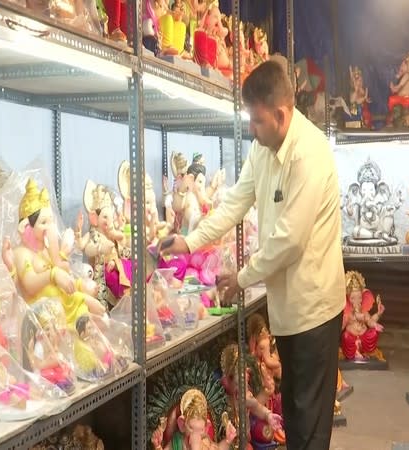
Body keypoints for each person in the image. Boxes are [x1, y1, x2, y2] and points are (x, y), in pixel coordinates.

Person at [158, 58, 345, 450]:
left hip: (314, 308)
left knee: (310, 419)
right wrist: (190, 242)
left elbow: (289, 240)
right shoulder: (264, 149)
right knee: (295, 412)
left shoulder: (308, 154)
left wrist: (240, 278)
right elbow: (233, 204)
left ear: (281, 113)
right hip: (287, 307)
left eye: (257, 121)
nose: (251, 130)